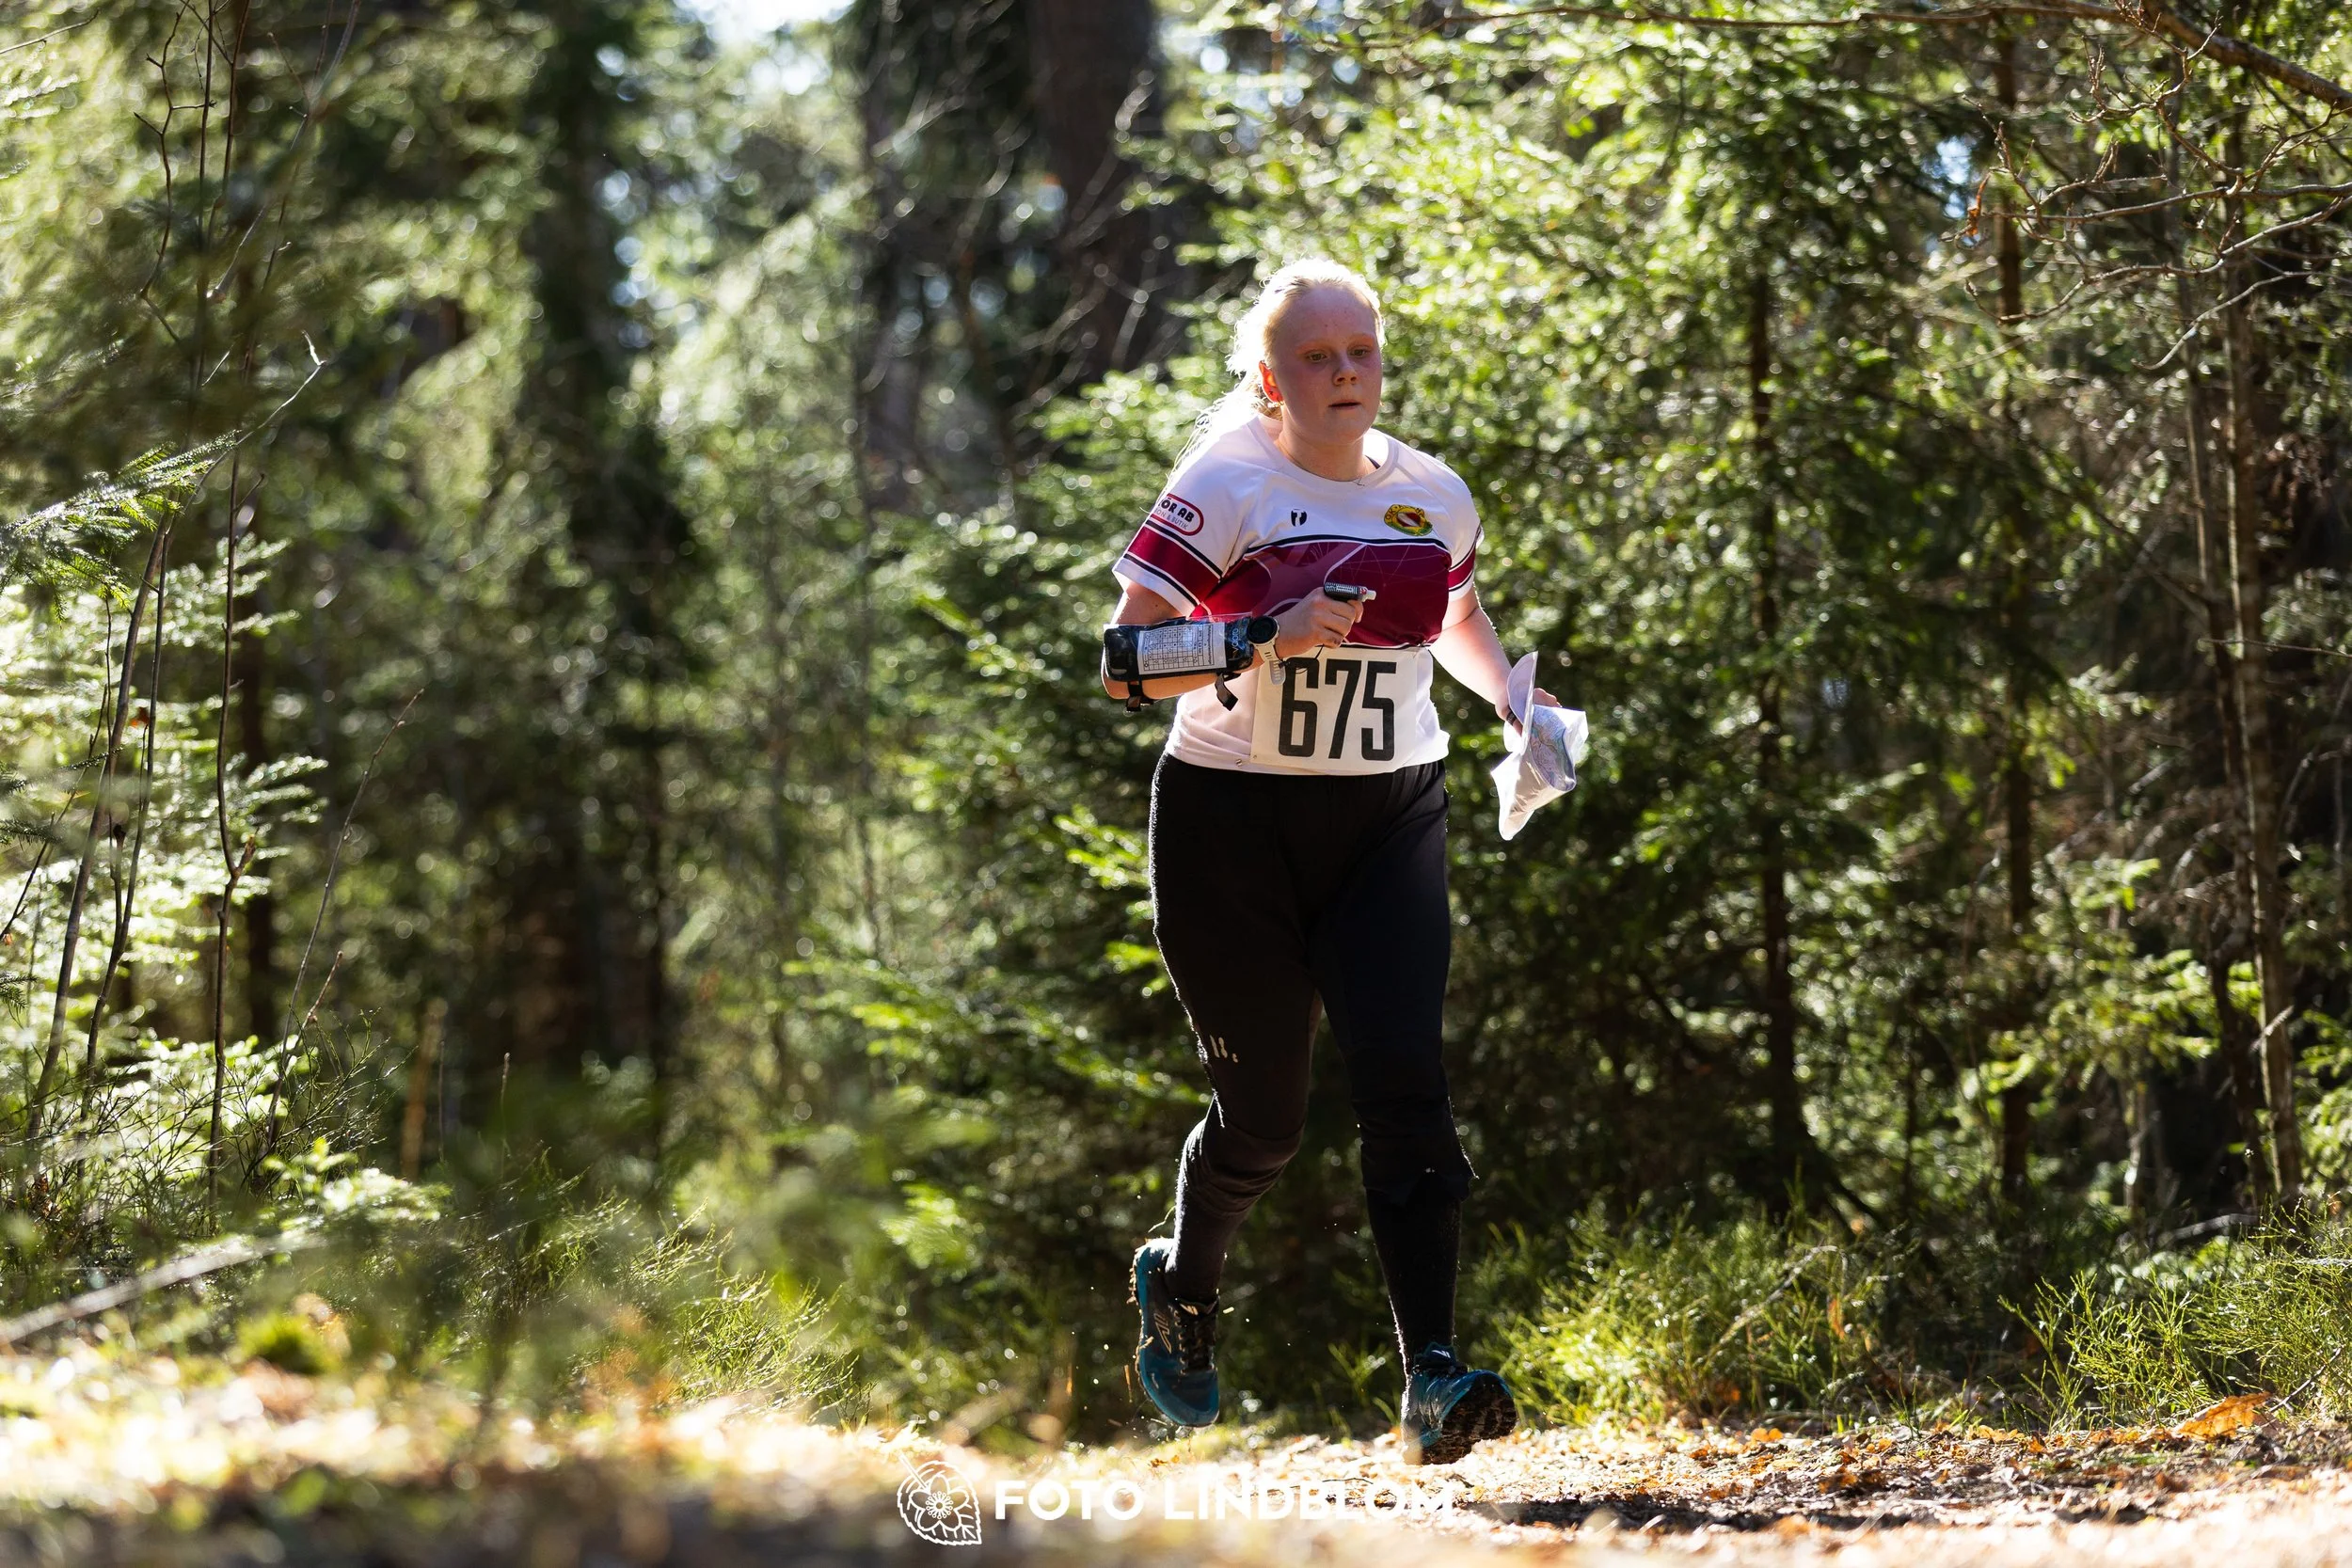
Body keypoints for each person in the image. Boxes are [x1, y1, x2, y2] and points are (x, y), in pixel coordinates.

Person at [1101, 259, 1562, 1464]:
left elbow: (1454, 620)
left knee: (1406, 1081)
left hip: (1388, 817)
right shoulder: (1228, 484)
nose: (1345, 372)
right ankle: (1183, 1290)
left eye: (1360, 351)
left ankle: (1431, 1373)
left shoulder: (1433, 495)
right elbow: (1125, 659)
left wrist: (1516, 703)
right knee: (1264, 1119)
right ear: (1269, 378)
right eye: (1317, 357)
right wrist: (1259, 632)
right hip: (1227, 828)